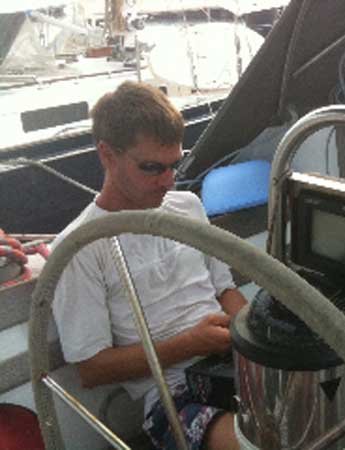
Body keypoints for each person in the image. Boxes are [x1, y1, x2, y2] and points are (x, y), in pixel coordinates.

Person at [52, 81, 247, 450]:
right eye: (152, 167)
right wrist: (190, 344)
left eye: (174, 165)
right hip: (173, 396)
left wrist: (256, 337)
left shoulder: (188, 206)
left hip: (235, 363)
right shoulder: (80, 246)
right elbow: (92, 369)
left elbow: (225, 290)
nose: (168, 181)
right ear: (107, 155)